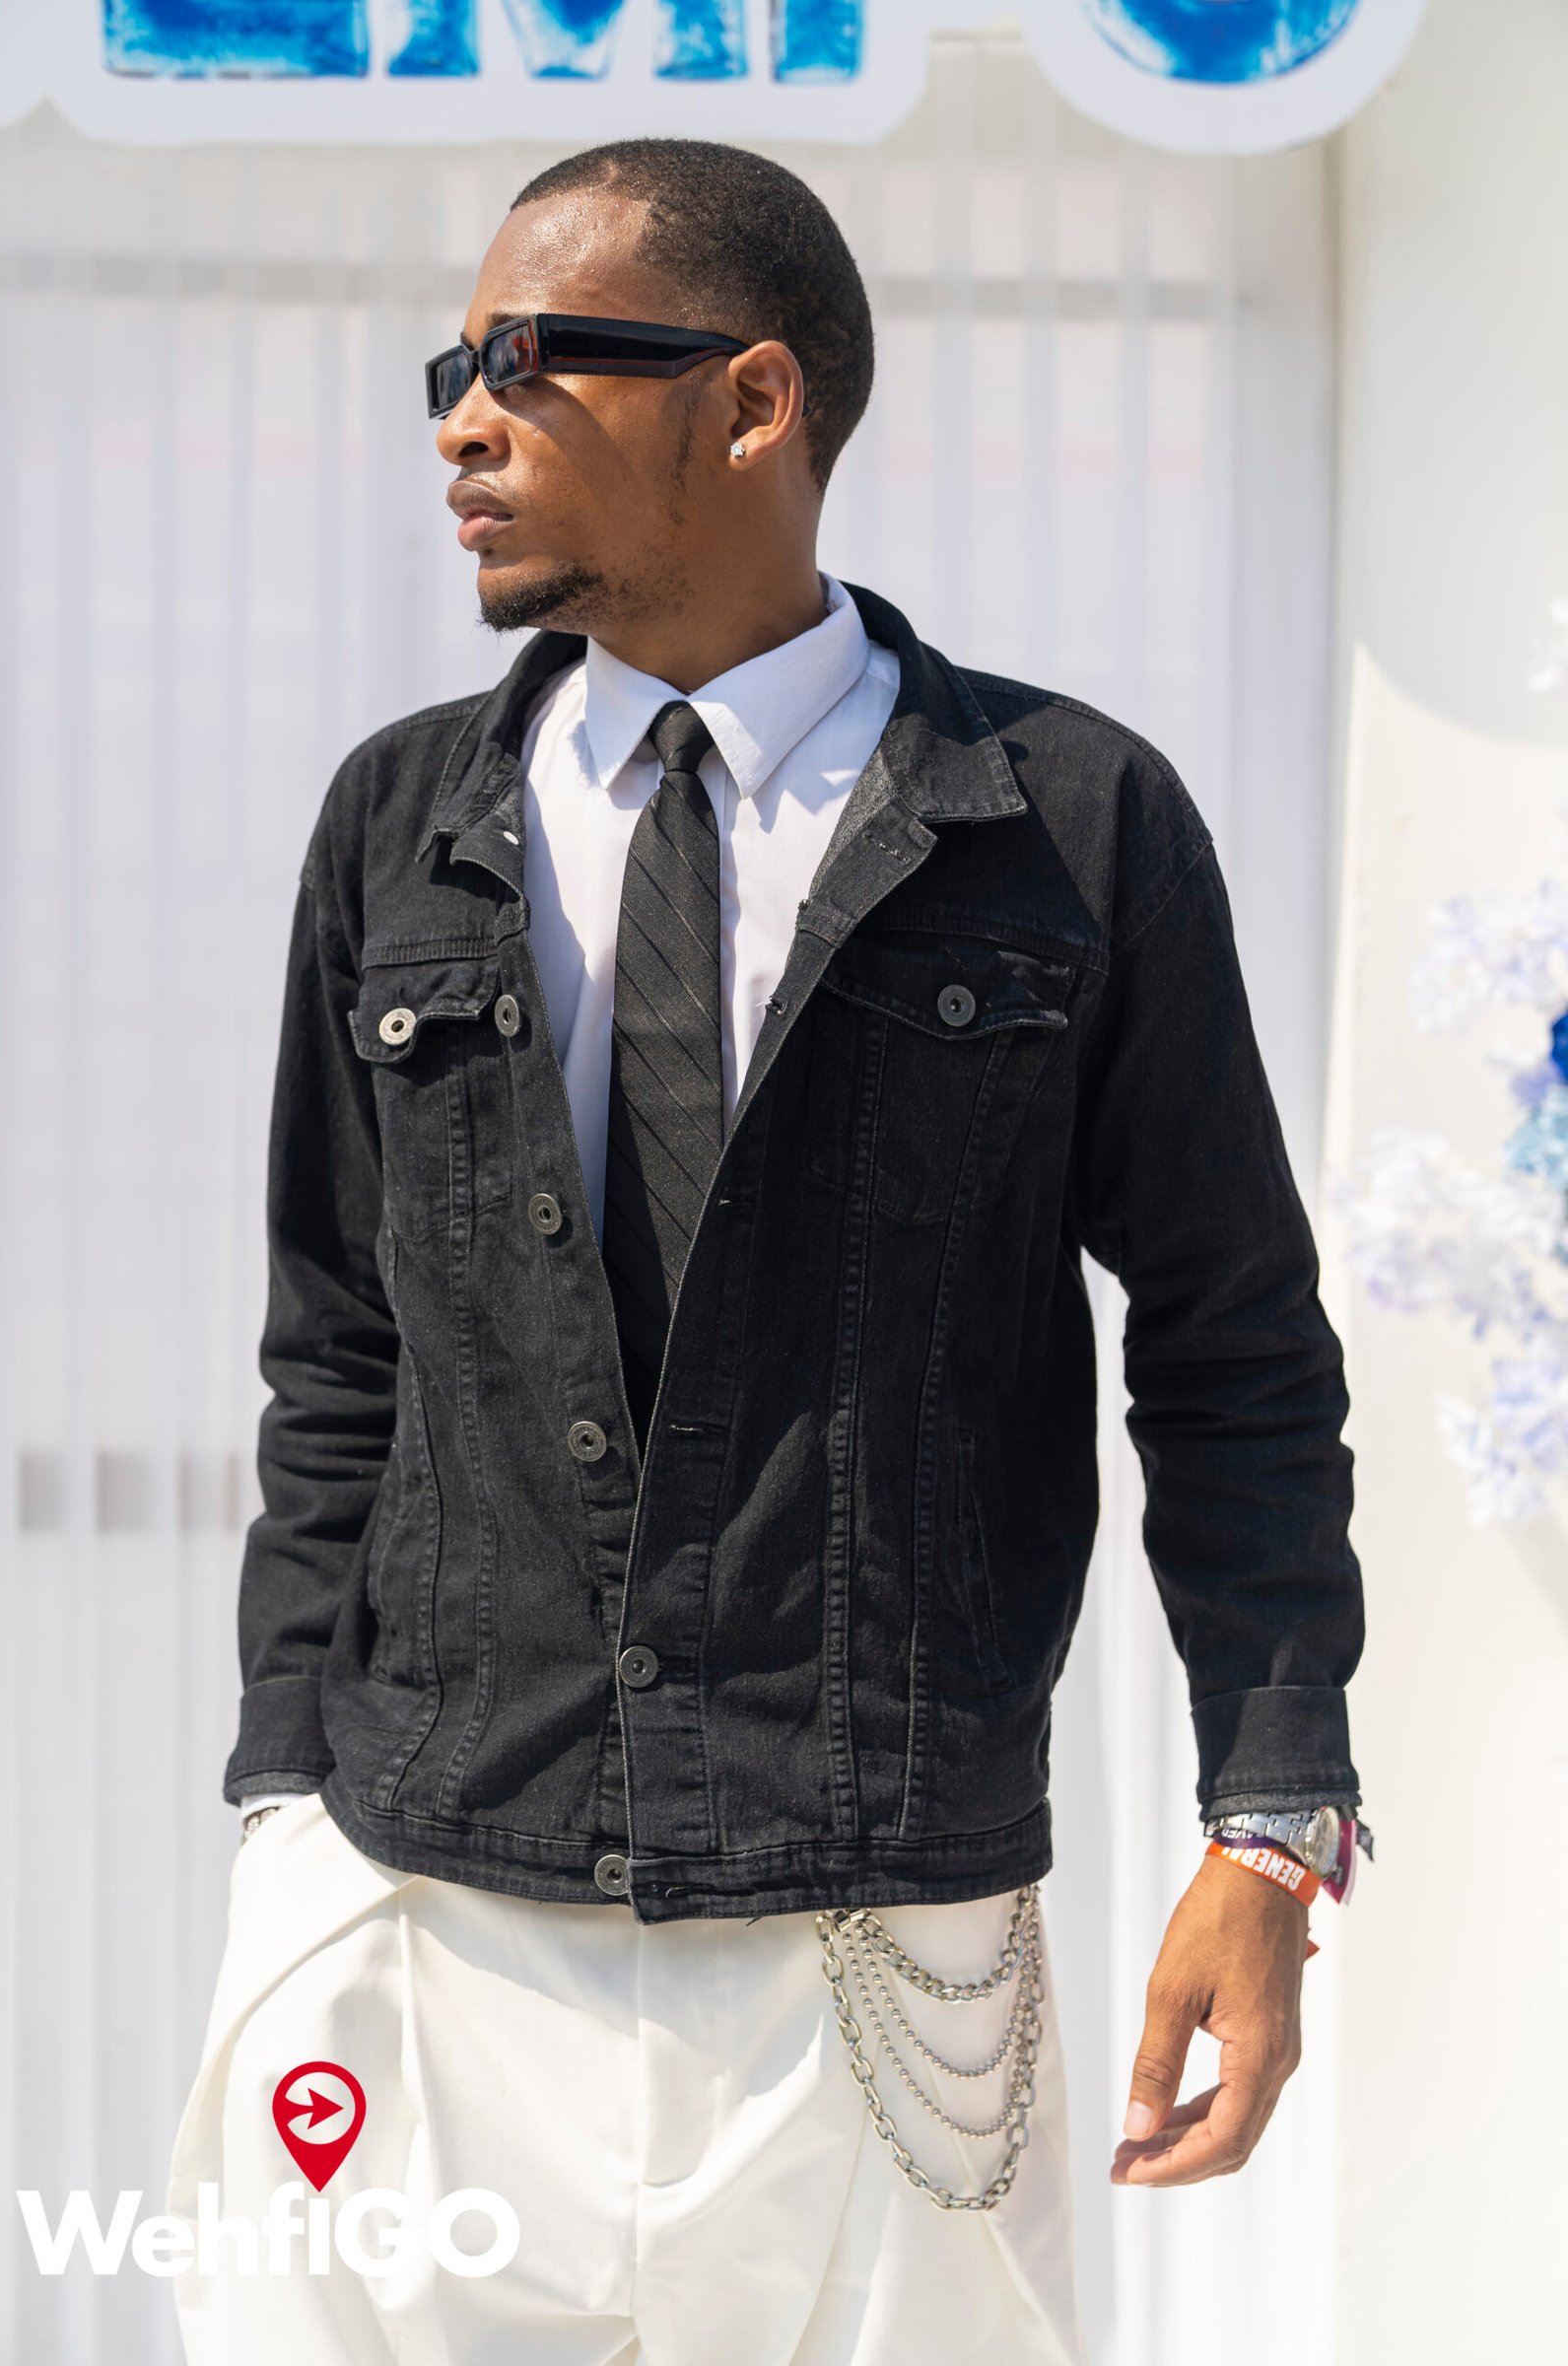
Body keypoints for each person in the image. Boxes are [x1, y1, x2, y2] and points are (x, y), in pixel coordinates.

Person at [168, 137, 1367, 2364]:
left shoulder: (1065, 820)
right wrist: (279, 1819)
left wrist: (1270, 1817)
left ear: (752, 401)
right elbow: (336, 1349)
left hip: (884, 1948)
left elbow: (1231, 1351)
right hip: (420, 1911)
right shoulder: (396, 819)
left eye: (530, 361)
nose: (459, 423)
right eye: (450, 370)